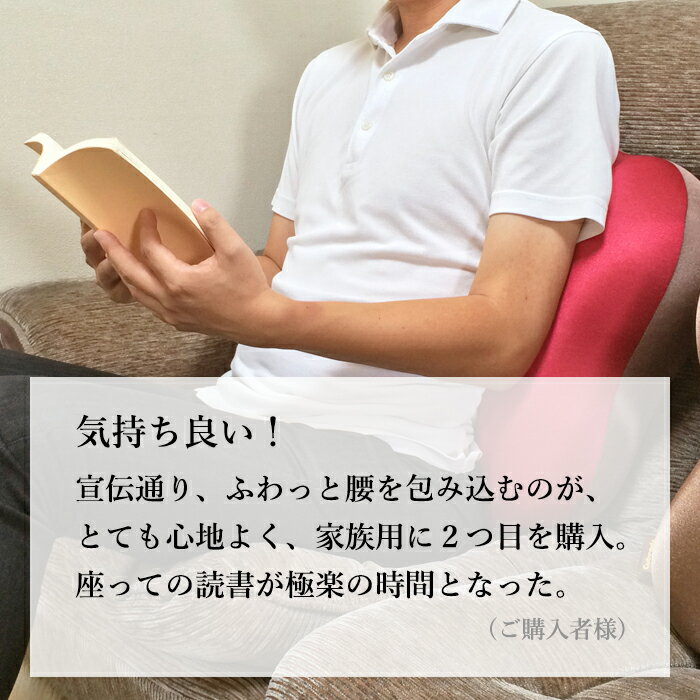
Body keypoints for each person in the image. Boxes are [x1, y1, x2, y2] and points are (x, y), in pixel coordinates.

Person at [0, 0, 619, 695]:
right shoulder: (330, 72)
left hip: (395, 468)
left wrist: (271, 320)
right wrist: (164, 274)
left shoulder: (551, 53)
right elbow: (278, 270)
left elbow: (505, 334)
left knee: (13, 424)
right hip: (240, 422)